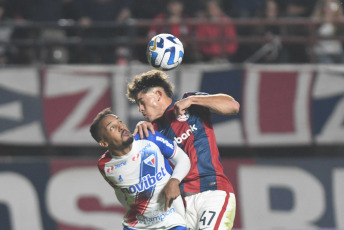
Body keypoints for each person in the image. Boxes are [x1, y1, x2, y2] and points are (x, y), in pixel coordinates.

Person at [126, 70, 239, 230]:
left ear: (158, 94)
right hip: (180, 204)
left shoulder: (192, 103)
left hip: (213, 192)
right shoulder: (152, 133)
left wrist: (193, 100)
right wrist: (138, 134)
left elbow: (233, 106)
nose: (140, 109)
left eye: (142, 102)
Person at [90, 108, 191, 230]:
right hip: (136, 226)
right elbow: (121, 192)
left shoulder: (148, 138)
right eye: (112, 128)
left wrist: (174, 180)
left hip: (172, 221)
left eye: (120, 122)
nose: (121, 127)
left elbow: (183, 159)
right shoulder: (104, 165)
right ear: (104, 143)